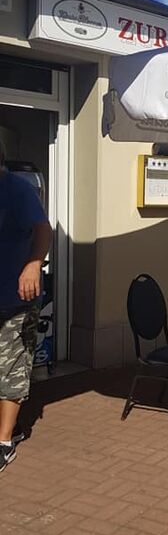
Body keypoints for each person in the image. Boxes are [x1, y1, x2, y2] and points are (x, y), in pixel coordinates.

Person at [0, 140, 52, 472]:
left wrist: (33, 264)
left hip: (15, 299)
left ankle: (4, 442)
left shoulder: (18, 189)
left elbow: (43, 230)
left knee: (11, 368)